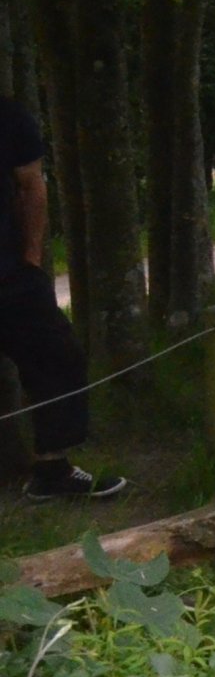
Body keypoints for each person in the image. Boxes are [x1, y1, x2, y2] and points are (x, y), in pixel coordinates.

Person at [0, 96, 126, 499]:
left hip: (9, 274)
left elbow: (32, 186)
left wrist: (31, 259)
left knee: (57, 355)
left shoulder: (8, 116)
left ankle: (52, 469)